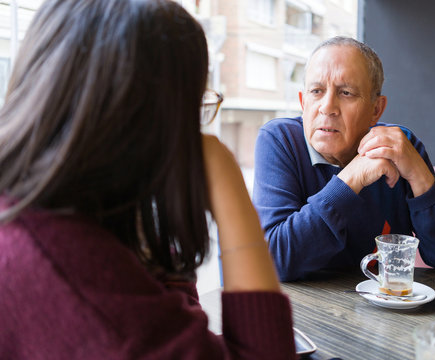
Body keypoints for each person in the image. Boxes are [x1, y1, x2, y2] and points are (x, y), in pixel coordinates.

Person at [0, 0, 295, 359]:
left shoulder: (50, 214)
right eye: (189, 108)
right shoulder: (76, 280)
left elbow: (168, 316)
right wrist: (224, 177)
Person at [253, 36, 435, 281]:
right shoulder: (280, 140)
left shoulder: (399, 147)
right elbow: (272, 261)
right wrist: (352, 178)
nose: (327, 107)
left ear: (376, 110)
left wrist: (420, 176)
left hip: (382, 312)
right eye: (316, 91)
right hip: (301, 315)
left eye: (346, 92)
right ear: (303, 101)